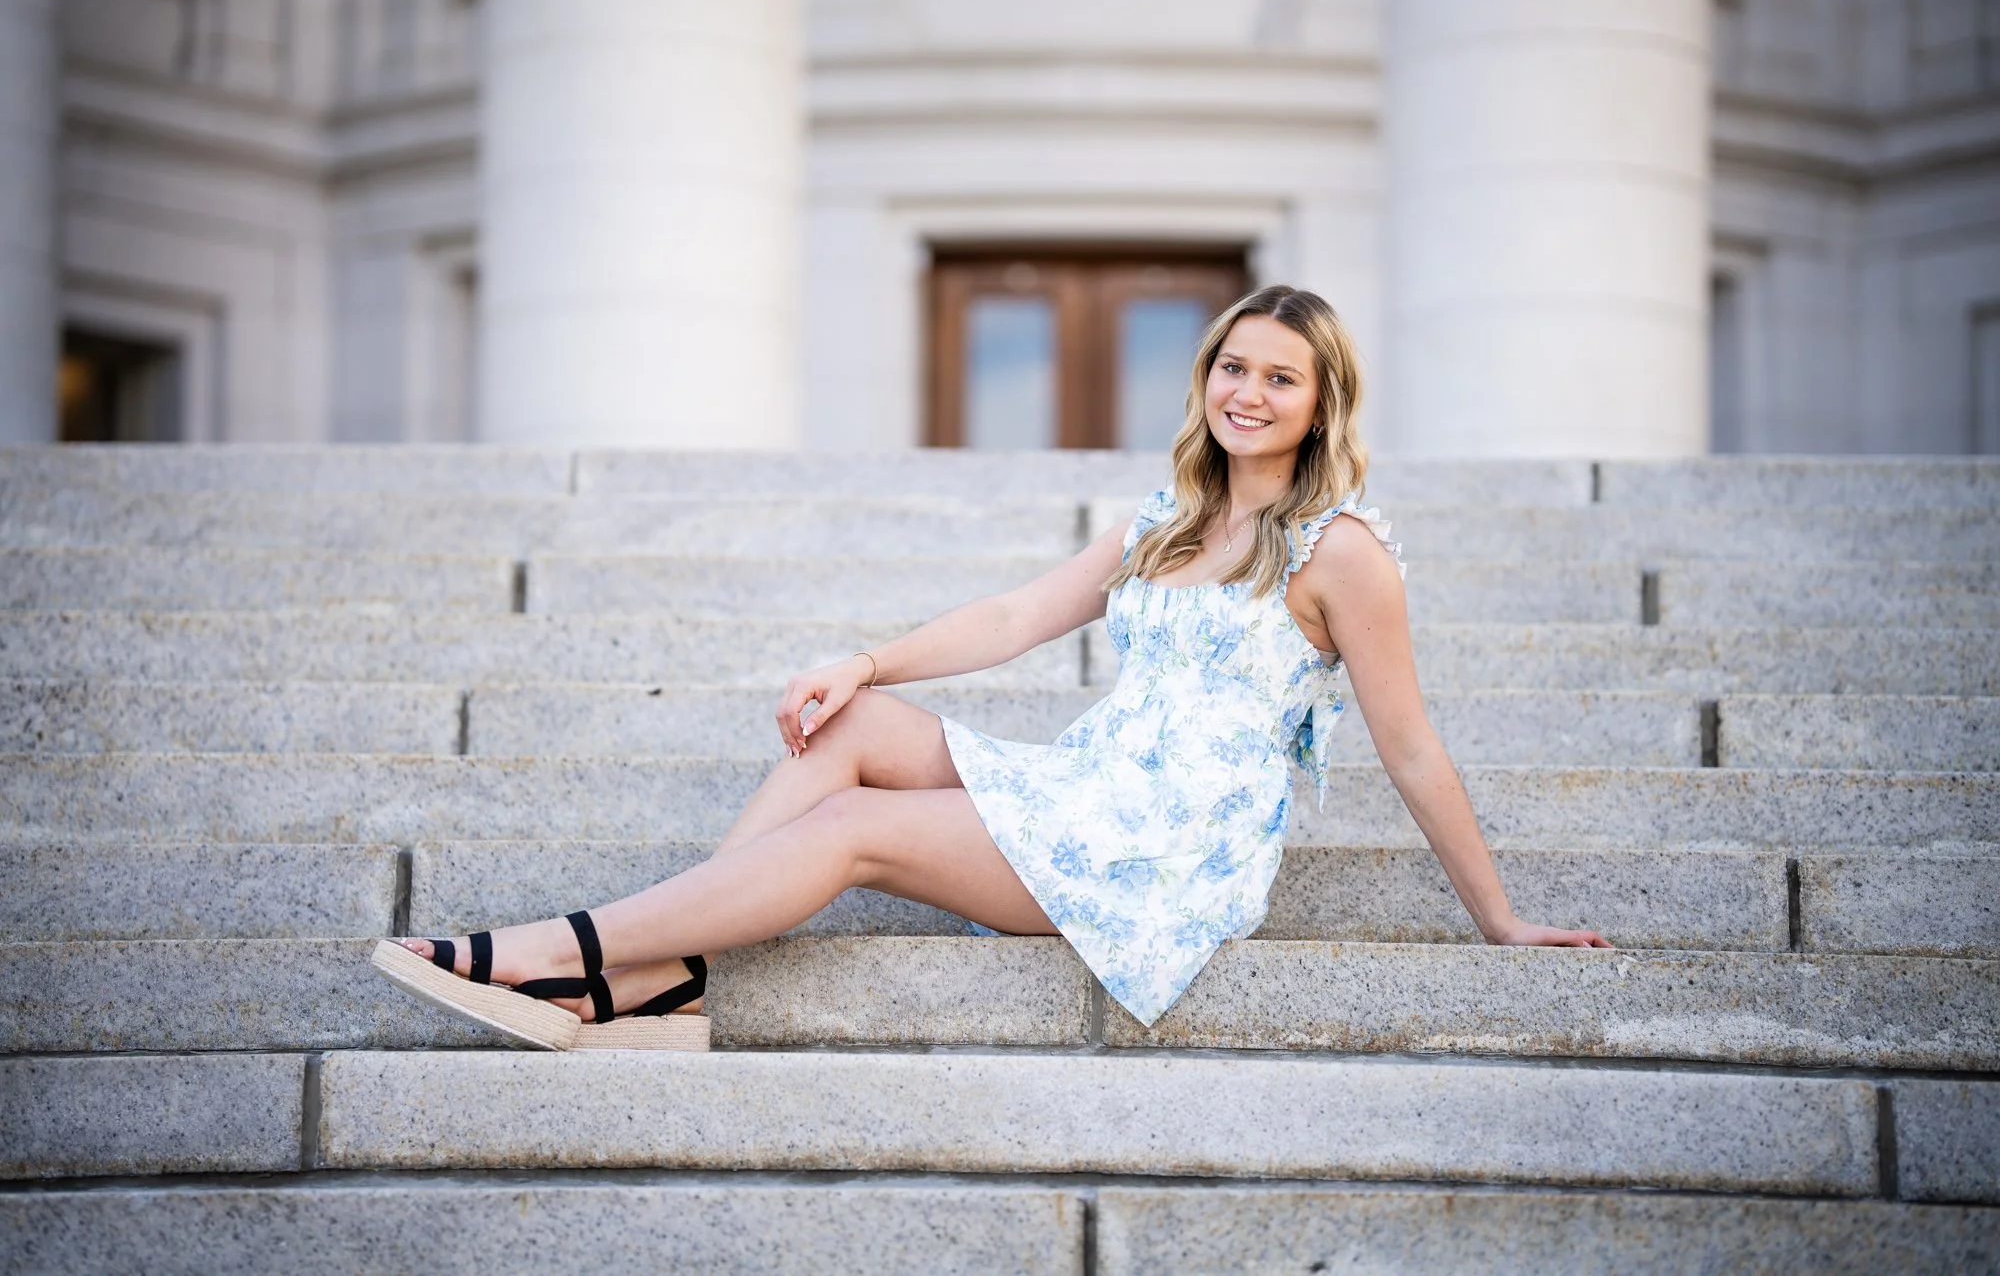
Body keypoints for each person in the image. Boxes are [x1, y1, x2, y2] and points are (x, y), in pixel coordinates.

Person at [373, 283, 1611, 1051]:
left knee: (854, 826)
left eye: (1278, 377)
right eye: (1232, 366)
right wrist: (862, 659)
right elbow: (1017, 614)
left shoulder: (1342, 553)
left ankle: (564, 951)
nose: (1247, 391)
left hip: (1164, 849)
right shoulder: (1165, 521)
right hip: (1092, 788)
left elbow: (1409, 745)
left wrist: (1499, 919)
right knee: (850, 728)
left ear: (1321, 402)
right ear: (1205, 379)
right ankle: (659, 979)